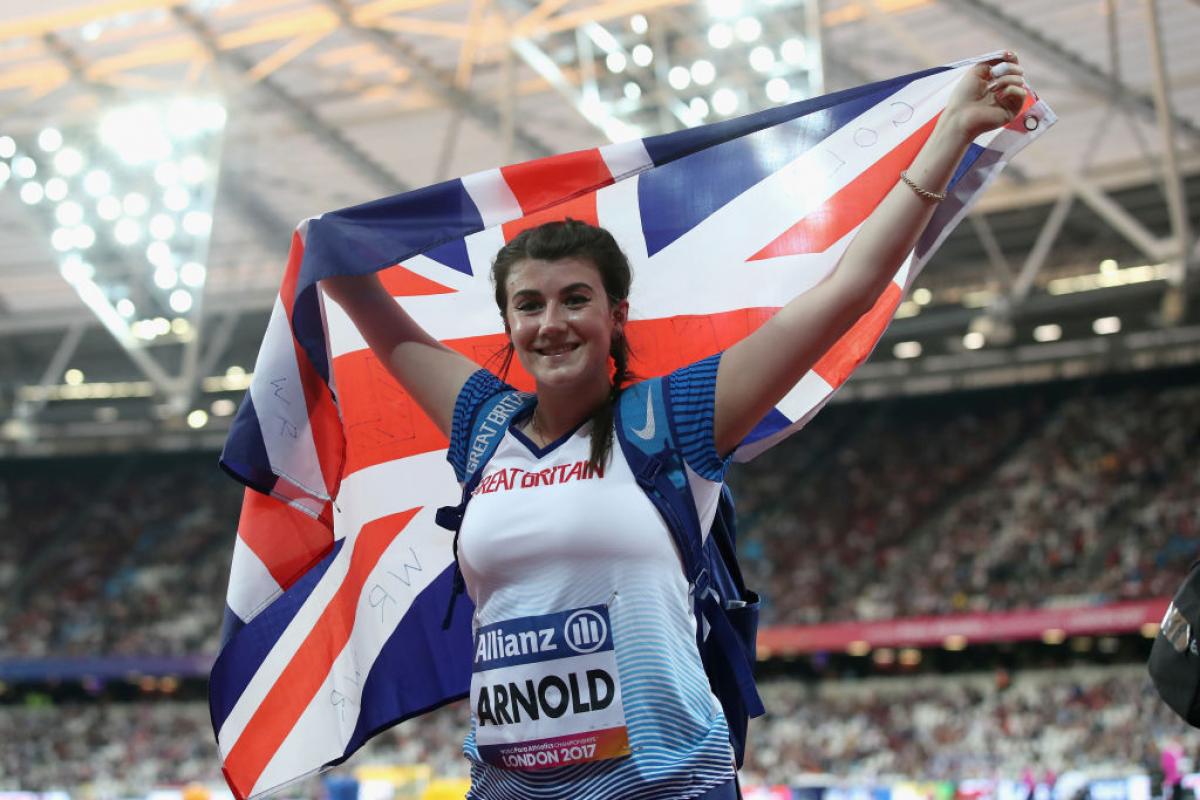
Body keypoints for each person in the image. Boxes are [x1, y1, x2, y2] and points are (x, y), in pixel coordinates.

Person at [322, 53, 1028, 800]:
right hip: (507, 788)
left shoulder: (675, 416)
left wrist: (950, 134)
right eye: (529, 305)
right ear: (507, 322)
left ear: (615, 315)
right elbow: (362, 299)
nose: (551, 322)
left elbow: (846, 291)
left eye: (574, 299)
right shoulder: (482, 422)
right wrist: (322, 247)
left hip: (665, 784)